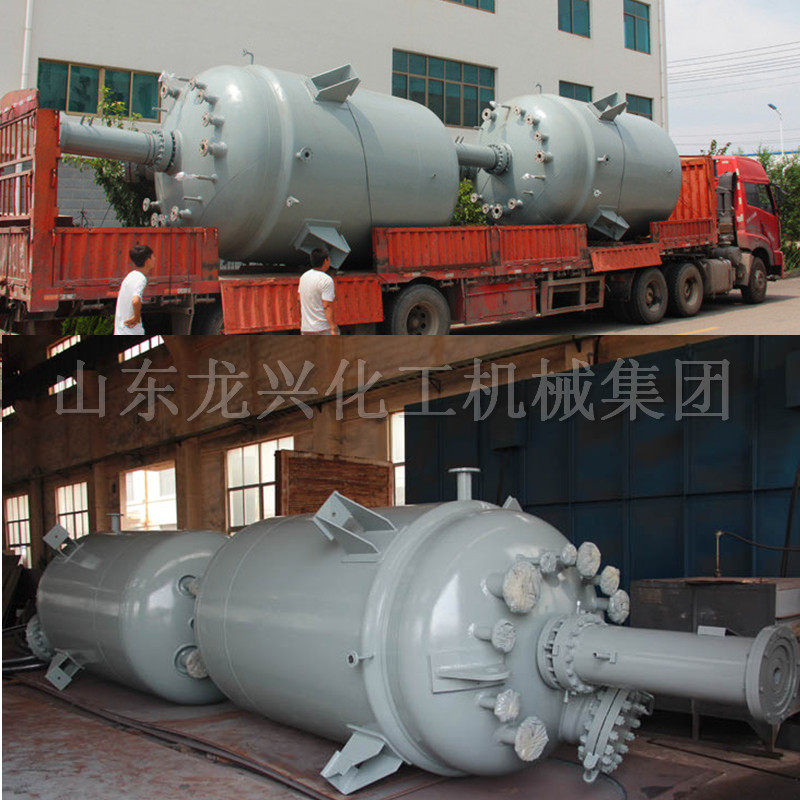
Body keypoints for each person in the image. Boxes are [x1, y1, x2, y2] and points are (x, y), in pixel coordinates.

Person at [298, 246, 339, 335]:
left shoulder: (304, 277)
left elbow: (299, 299)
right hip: (322, 328)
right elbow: (327, 305)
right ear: (325, 261)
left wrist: (302, 321)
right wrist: (333, 327)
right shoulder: (326, 280)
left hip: (306, 328)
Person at [114, 245, 154, 335]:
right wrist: (136, 317)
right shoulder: (141, 278)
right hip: (131, 331)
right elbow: (135, 300)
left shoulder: (130, 276)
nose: (155, 259)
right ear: (148, 261)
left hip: (120, 330)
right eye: (153, 257)